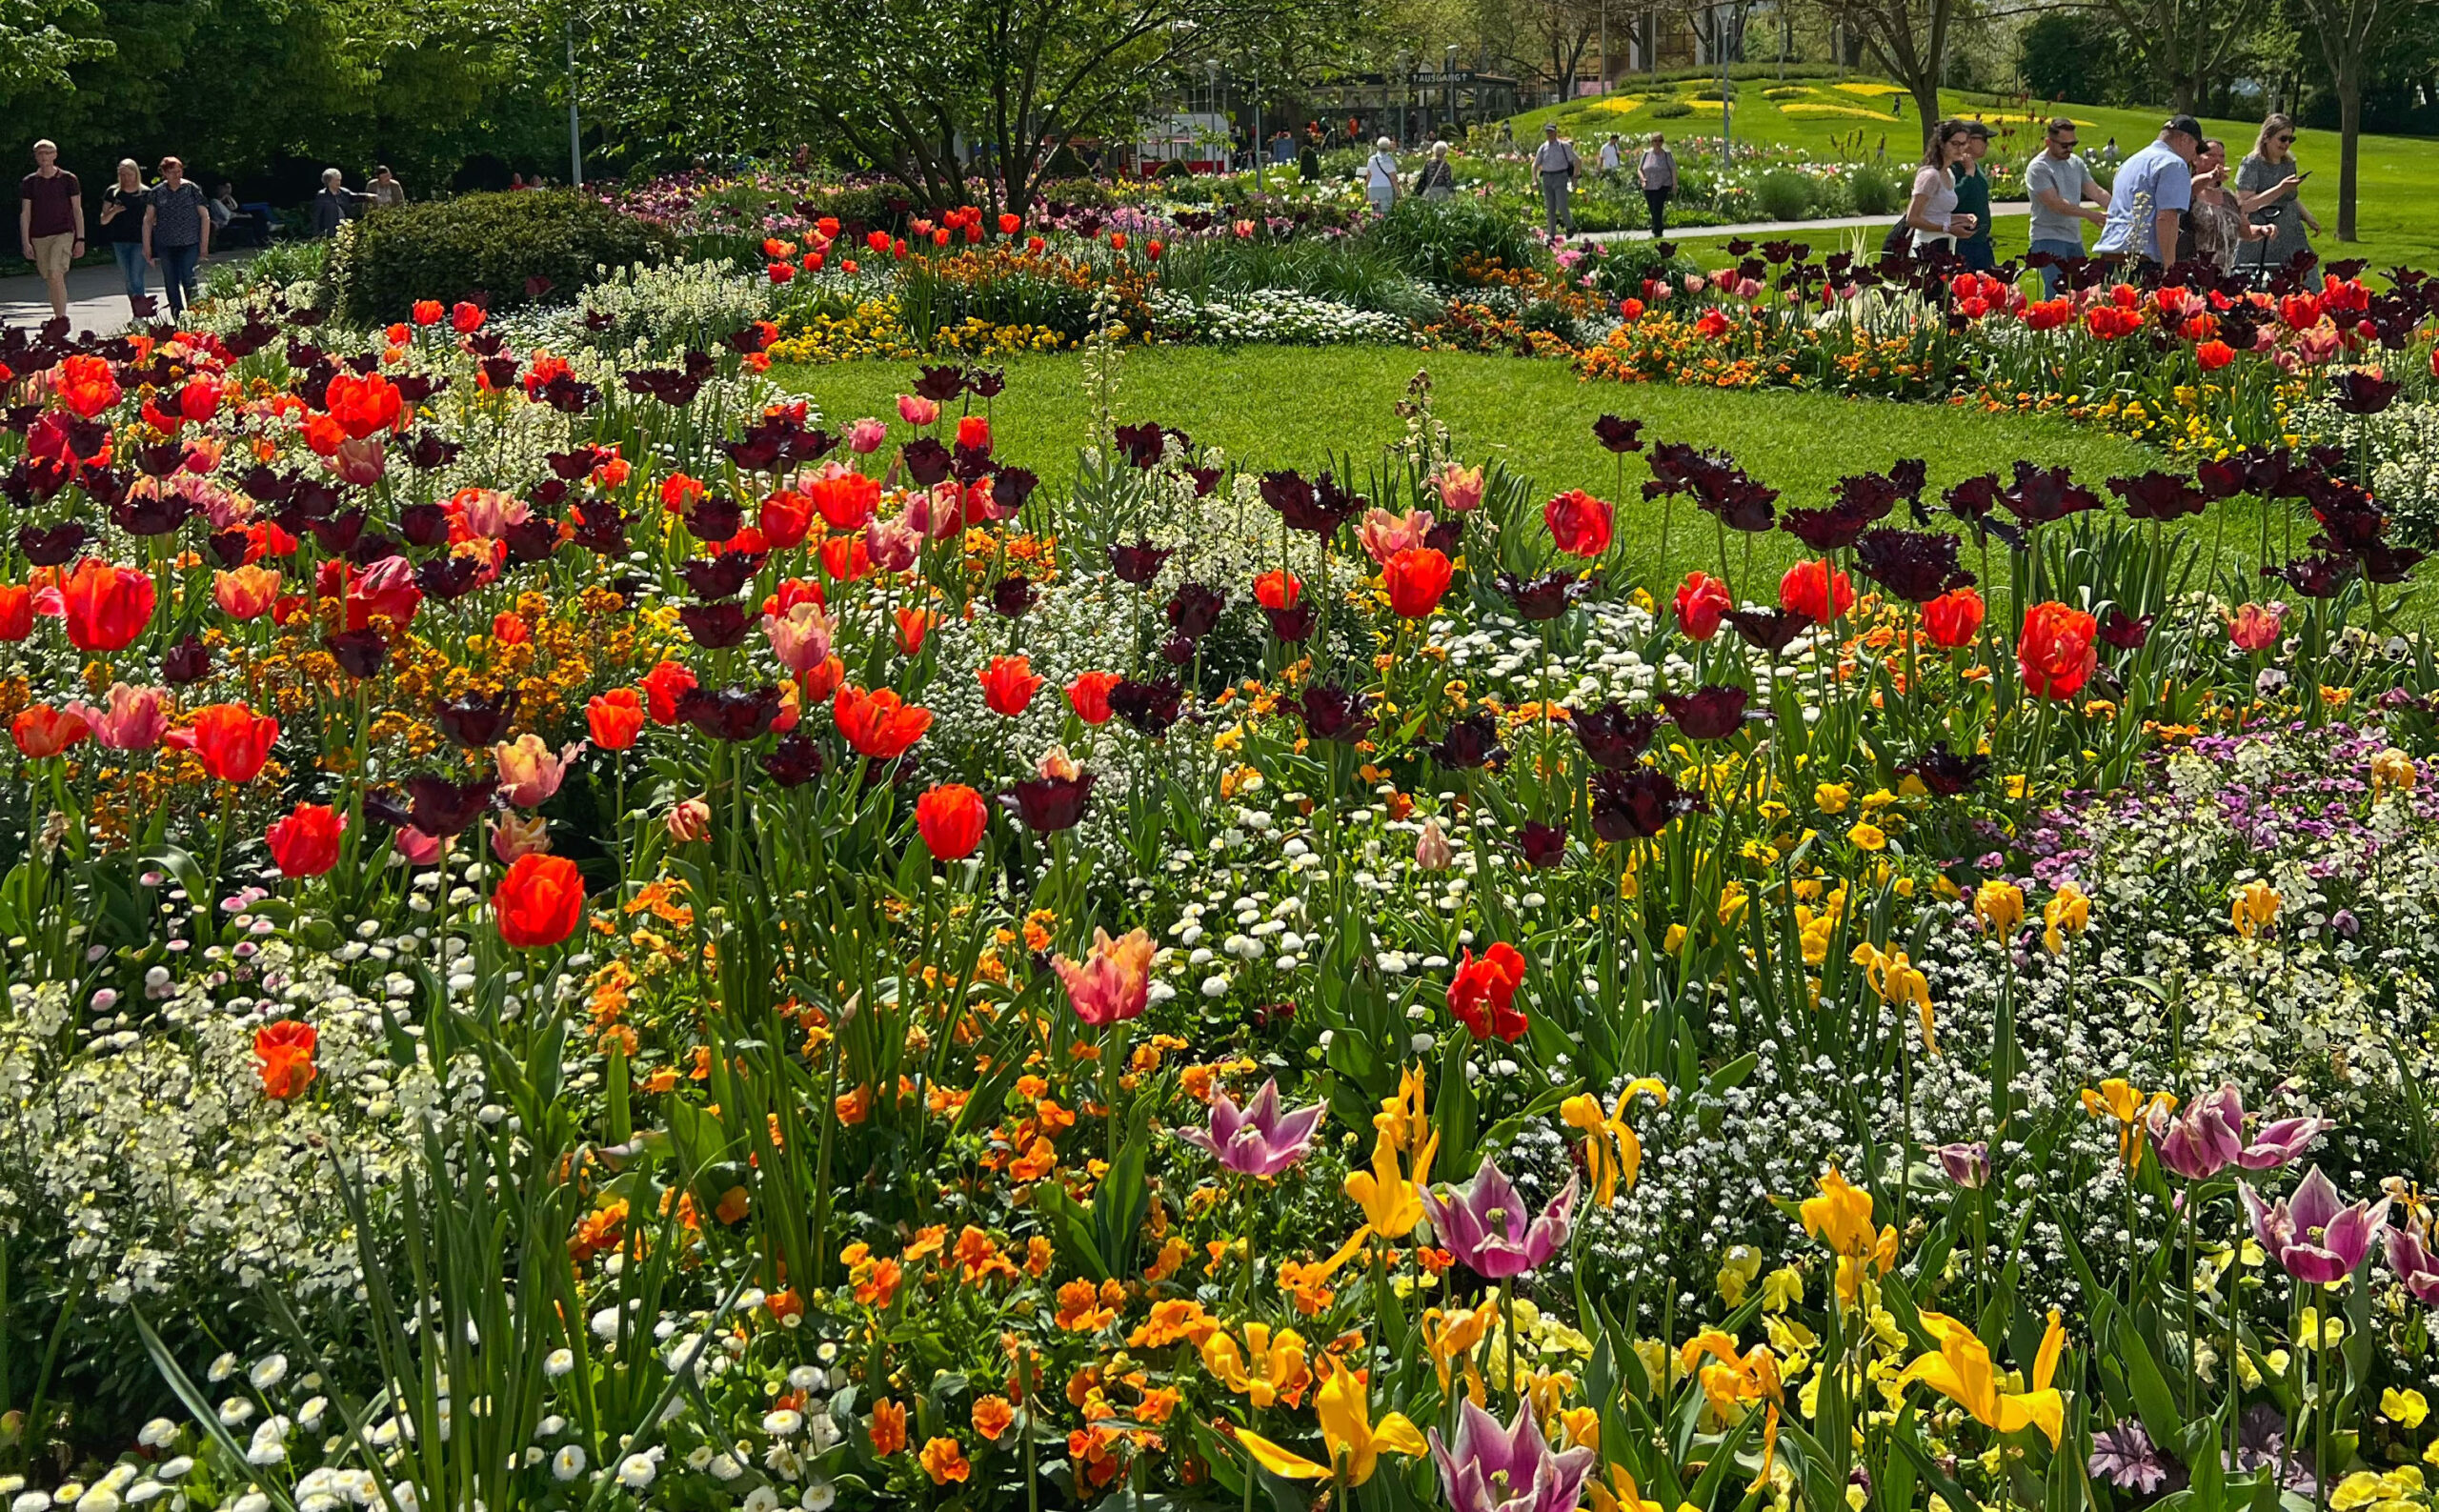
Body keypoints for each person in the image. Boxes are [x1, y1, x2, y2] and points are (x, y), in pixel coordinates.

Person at [2093, 114, 2199, 273]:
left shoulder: (2130, 162)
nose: (2194, 155)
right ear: (2184, 139)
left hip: (2109, 257)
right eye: (2196, 148)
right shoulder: (2174, 164)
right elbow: (2167, 218)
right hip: (2142, 262)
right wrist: (2169, 268)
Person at [2025, 116, 2108, 295]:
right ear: (2048, 142)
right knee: (2057, 294)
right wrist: (2090, 215)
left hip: (2073, 239)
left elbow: (2096, 191)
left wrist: (2119, 210)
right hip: (2047, 239)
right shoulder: (2038, 168)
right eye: (2064, 145)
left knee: (2083, 294)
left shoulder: (2075, 162)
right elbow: (2056, 205)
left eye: (2073, 144)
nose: (2069, 149)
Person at [2237, 113, 2319, 279]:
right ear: (2267, 137)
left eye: (2291, 139)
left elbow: (2291, 196)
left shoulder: (2288, 164)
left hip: (2290, 232)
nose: (2287, 144)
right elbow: (2245, 205)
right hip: (2262, 233)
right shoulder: (2252, 164)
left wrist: (2308, 218)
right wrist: (2280, 189)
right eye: (2282, 139)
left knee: (2304, 279)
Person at [2182, 138, 2273, 272]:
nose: (2218, 160)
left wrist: (2262, 230)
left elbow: (2244, 230)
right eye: (2211, 155)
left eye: (2222, 156)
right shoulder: (2188, 190)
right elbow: (2191, 188)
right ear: (2195, 159)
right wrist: (2209, 177)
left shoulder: (2229, 197)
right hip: (2193, 272)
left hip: (2223, 274)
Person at [17, 139, 83, 322]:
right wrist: (26, 241)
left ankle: (61, 319)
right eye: (40, 153)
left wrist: (81, 239)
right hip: (39, 235)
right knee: (51, 277)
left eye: (48, 152)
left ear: (55, 155)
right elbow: (26, 213)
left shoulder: (68, 179)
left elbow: (77, 210)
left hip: (63, 232)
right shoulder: (30, 182)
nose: (44, 156)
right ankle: (58, 316)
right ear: (36, 157)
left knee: (55, 271)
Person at [141, 155, 211, 321]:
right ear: (164, 173)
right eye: (172, 172)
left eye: (179, 171)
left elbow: (204, 216)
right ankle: (178, 317)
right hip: (165, 243)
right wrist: (147, 247)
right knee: (171, 281)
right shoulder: (156, 192)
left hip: (189, 241)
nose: (177, 175)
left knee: (188, 276)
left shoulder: (191, 189)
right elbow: (148, 219)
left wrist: (204, 244)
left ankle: (196, 315)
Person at [1905, 119, 1977, 254]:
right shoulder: (1930, 176)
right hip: (1925, 249)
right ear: (1942, 144)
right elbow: (1912, 219)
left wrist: (1962, 218)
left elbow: (1937, 215)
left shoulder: (1949, 174)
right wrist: (1947, 229)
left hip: (1946, 247)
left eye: (1963, 144)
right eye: (1955, 144)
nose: (1960, 148)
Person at [95, 159, 149, 318]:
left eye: (129, 174)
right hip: (119, 240)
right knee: (128, 279)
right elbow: (103, 219)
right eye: (122, 174)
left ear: (136, 174)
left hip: (139, 241)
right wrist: (114, 211)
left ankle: (141, 314)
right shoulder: (113, 192)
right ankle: (137, 310)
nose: (126, 178)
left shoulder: (146, 193)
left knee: (136, 277)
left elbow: (153, 218)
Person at [1952, 120, 1996, 271]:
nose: (1987, 144)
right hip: (1963, 243)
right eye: (1984, 139)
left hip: (1981, 241)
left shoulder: (1975, 166)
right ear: (1969, 140)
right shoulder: (1954, 168)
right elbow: (1953, 200)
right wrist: (1968, 175)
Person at [1532, 121, 1580, 238]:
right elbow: (1535, 164)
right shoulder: (1543, 147)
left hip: (1560, 176)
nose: (1549, 134)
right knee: (1550, 208)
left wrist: (1575, 177)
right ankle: (1551, 234)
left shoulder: (1564, 146)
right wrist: (1534, 180)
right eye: (1547, 132)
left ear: (1555, 132)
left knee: (1562, 204)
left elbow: (1577, 160)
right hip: (1547, 177)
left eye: (1551, 132)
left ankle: (1569, 227)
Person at [1638, 131, 1677, 237]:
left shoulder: (1666, 154)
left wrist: (1674, 184)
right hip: (1649, 186)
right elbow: (1639, 169)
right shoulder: (1646, 154)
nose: (1657, 143)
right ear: (1651, 142)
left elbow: (1673, 169)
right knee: (1652, 208)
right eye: (1655, 141)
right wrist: (1642, 179)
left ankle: (1657, 231)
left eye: (1660, 140)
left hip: (1663, 185)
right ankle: (1657, 228)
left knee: (1657, 207)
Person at [309, 168, 363, 237]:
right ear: (329, 181)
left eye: (339, 180)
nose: (339, 183)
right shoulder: (322, 195)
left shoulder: (343, 192)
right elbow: (316, 216)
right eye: (336, 180)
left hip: (345, 229)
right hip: (330, 231)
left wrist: (367, 196)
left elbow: (355, 197)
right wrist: (316, 234)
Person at [1364, 136, 1401, 214]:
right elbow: (1393, 178)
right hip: (1385, 189)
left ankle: (1375, 225)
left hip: (1373, 189)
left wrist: (1366, 193)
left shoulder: (1372, 159)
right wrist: (1398, 192)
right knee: (1386, 213)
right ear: (1388, 147)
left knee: (1376, 213)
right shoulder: (1389, 160)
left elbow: (1368, 178)